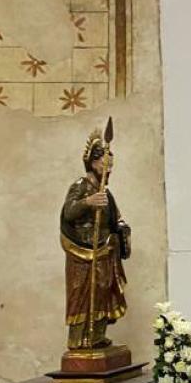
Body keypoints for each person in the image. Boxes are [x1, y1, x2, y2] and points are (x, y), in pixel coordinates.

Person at [61, 123, 131, 350]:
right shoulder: (80, 186)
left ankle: (97, 336)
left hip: (104, 251)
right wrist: (88, 202)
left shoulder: (106, 194)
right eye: (105, 164)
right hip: (82, 251)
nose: (109, 170)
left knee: (103, 291)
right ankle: (77, 339)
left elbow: (116, 217)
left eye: (111, 166)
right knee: (81, 292)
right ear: (92, 163)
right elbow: (69, 212)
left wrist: (122, 229)